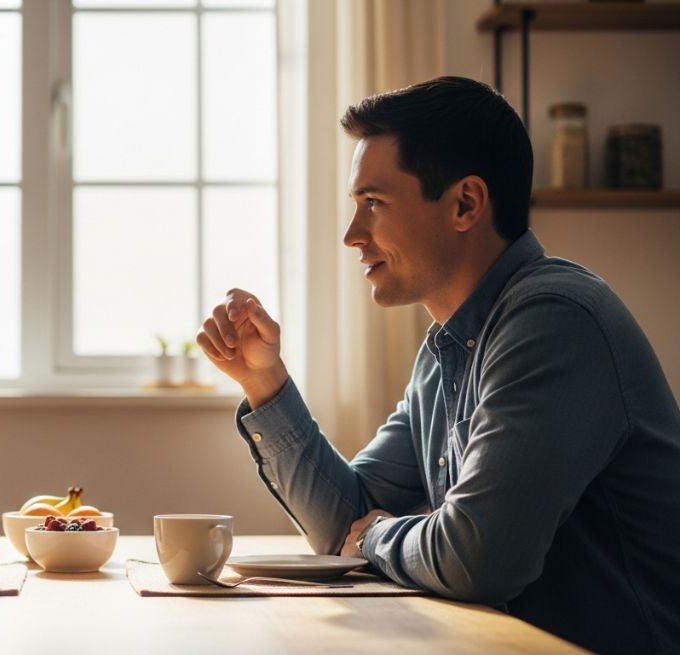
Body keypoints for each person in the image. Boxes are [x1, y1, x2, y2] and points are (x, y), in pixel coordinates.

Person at [198, 77, 680, 654]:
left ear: (465, 204)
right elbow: (342, 524)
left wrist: (378, 535)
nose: (352, 235)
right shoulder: (448, 348)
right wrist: (264, 383)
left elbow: (479, 559)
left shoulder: (553, 322)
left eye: (373, 204)